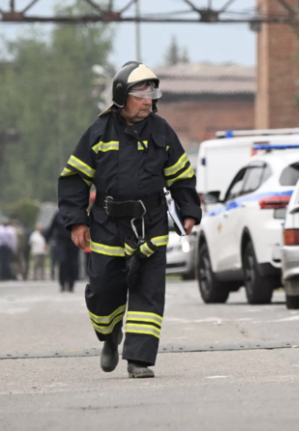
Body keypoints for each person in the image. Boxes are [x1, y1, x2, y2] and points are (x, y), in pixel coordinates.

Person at [57, 61, 201, 378]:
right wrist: (77, 221)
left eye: (152, 93)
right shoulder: (98, 132)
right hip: (108, 225)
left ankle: (139, 359)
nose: (148, 100)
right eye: (141, 94)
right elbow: (74, 179)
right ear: (122, 96)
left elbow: (181, 176)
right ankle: (109, 336)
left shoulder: (162, 131)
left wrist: (188, 210)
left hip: (151, 224)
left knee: (148, 291)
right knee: (103, 291)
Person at [44, 214, 76, 291]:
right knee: (63, 261)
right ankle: (62, 283)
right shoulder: (58, 215)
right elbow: (52, 227)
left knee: (72, 263)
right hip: (61, 241)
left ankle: (71, 284)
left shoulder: (75, 212)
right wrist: (46, 240)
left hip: (73, 241)